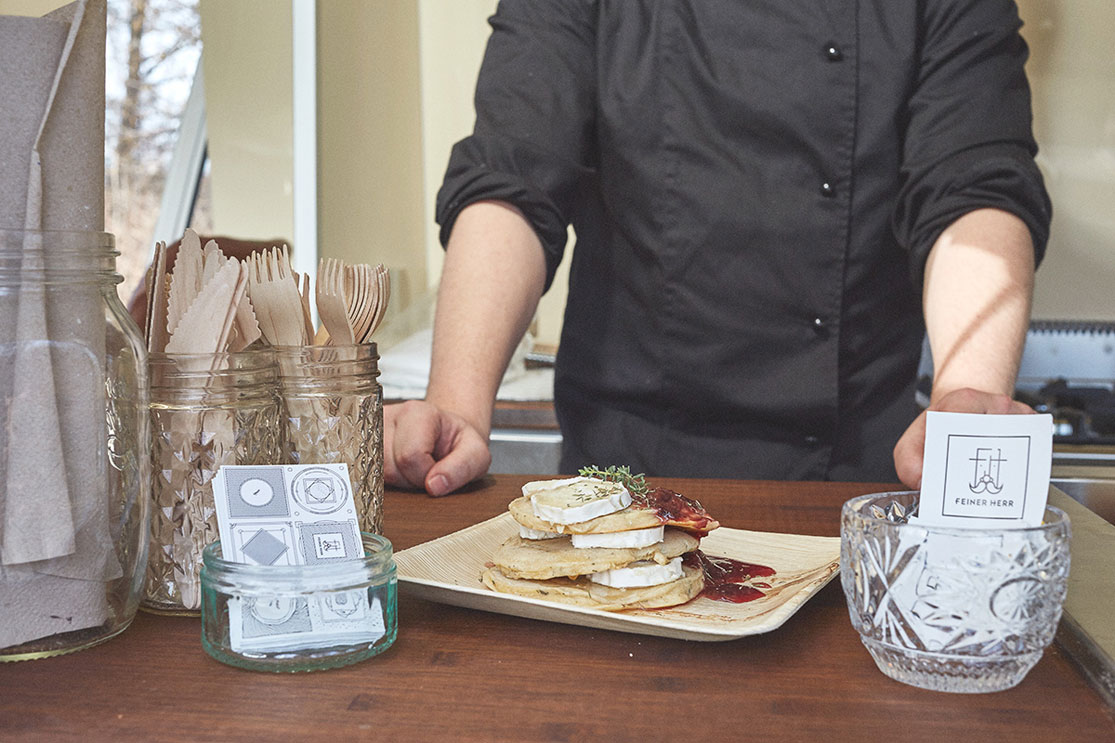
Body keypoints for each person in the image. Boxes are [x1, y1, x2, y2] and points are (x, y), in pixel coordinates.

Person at [385, 0, 1050, 496]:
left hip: (849, 489)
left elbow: (972, 188)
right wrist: (455, 402)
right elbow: (512, 179)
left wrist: (966, 395)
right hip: (625, 488)